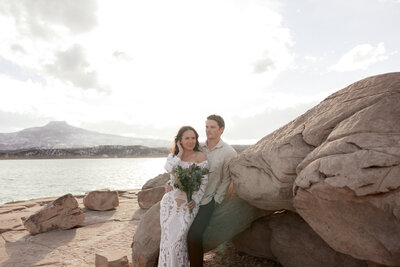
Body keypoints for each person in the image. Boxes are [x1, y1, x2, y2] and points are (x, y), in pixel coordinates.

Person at [187, 114, 237, 267]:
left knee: (194, 235)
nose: (208, 130)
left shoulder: (228, 152)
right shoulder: (198, 147)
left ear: (221, 130)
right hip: (191, 198)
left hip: (208, 200)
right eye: (206, 126)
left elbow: (226, 179)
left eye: (212, 127)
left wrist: (217, 200)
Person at [158, 126, 209, 267]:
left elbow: (204, 183)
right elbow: (169, 169)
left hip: (188, 204)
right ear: (180, 140)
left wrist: (195, 199)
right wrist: (179, 153)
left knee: (177, 240)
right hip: (170, 204)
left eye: (193, 138)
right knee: (167, 240)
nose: (191, 141)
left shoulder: (201, 157)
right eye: (187, 138)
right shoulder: (173, 157)